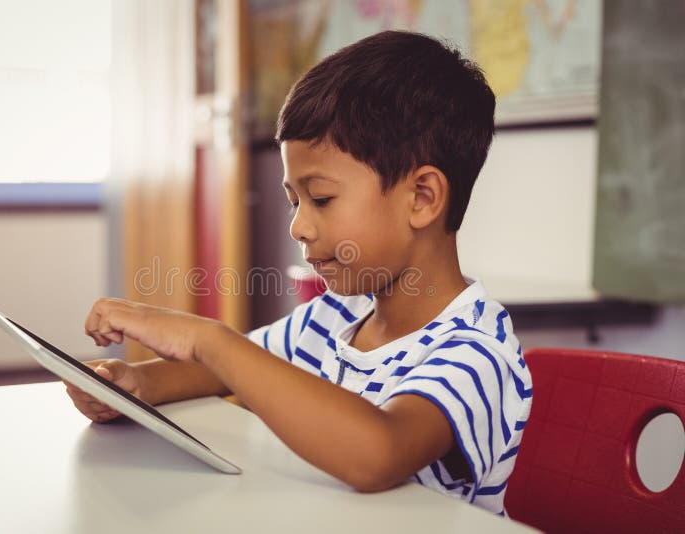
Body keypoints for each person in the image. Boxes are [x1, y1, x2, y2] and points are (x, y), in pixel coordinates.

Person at [64, 31, 531, 515]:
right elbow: (229, 370)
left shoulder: (477, 352)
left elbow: (379, 453)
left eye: (321, 198)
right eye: (295, 200)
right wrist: (133, 385)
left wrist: (209, 337)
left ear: (422, 198)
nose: (299, 226)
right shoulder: (333, 317)